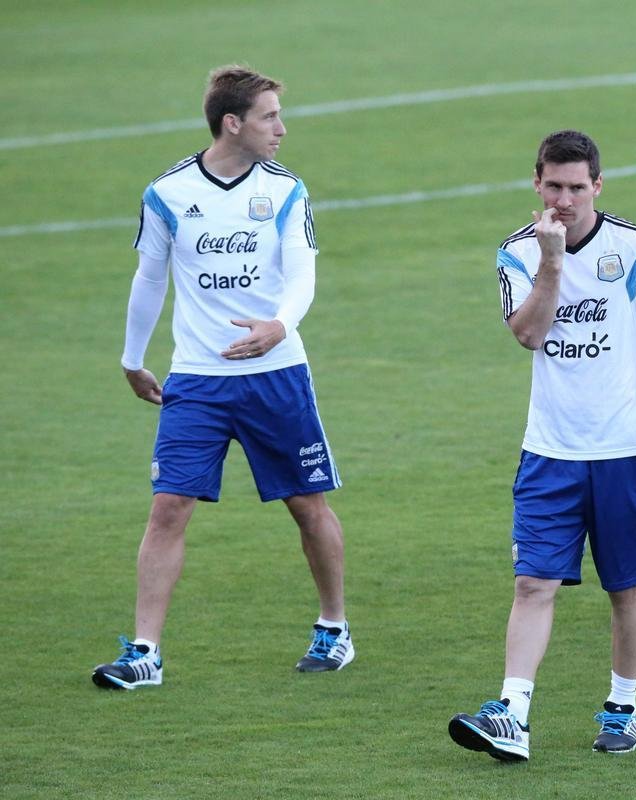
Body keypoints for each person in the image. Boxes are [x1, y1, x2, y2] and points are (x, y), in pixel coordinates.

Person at [92, 66, 352, 690]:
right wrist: (132, 358)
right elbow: (150, 278)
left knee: (306, 504)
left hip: (275, 375)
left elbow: (302, 274)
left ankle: (335, 628)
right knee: (169, 507)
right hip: (198, 381)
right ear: (232, 122)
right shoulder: (168, 193)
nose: (281, 129)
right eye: (269, 117)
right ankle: (145, 652)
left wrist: (280, 326)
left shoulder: (288, 191)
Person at [448, 130, 636, 759]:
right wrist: (552, 263)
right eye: (553, 186)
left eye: (577, 188)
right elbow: (528, 334)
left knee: (626, 588)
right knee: (532, 584)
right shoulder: (518, 254)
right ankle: (514, 712)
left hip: (622, 452)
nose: (564, 200)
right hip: (549, 451)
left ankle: (622, 708)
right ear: (536, 184)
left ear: (597, 187)